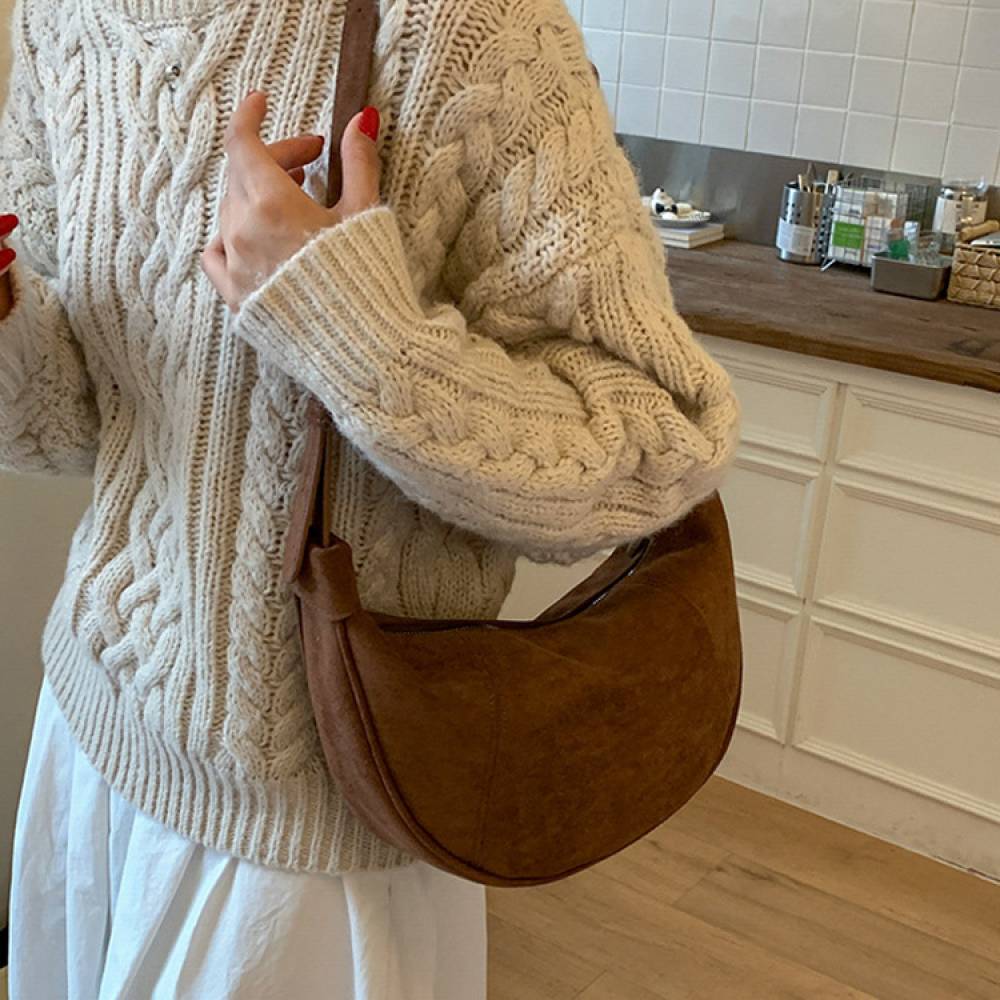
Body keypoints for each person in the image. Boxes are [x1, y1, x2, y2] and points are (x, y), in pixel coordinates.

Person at [0, 0, 742, 995]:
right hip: (90, 727)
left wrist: (350, 326)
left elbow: (657, 451)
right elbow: (72, 421)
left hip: (313, 824)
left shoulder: (467, 27)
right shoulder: (60, 17)